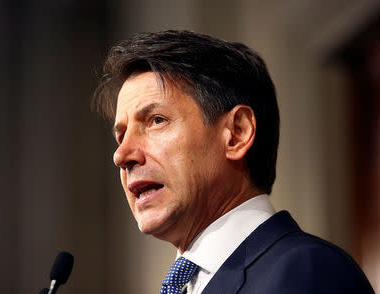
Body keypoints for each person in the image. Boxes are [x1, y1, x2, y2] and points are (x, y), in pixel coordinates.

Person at [93, 30, 374, 294]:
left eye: (156, 121)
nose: (121, 155)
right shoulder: (190, 284)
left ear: (237, 133)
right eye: (121, 136)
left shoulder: (308, 273)